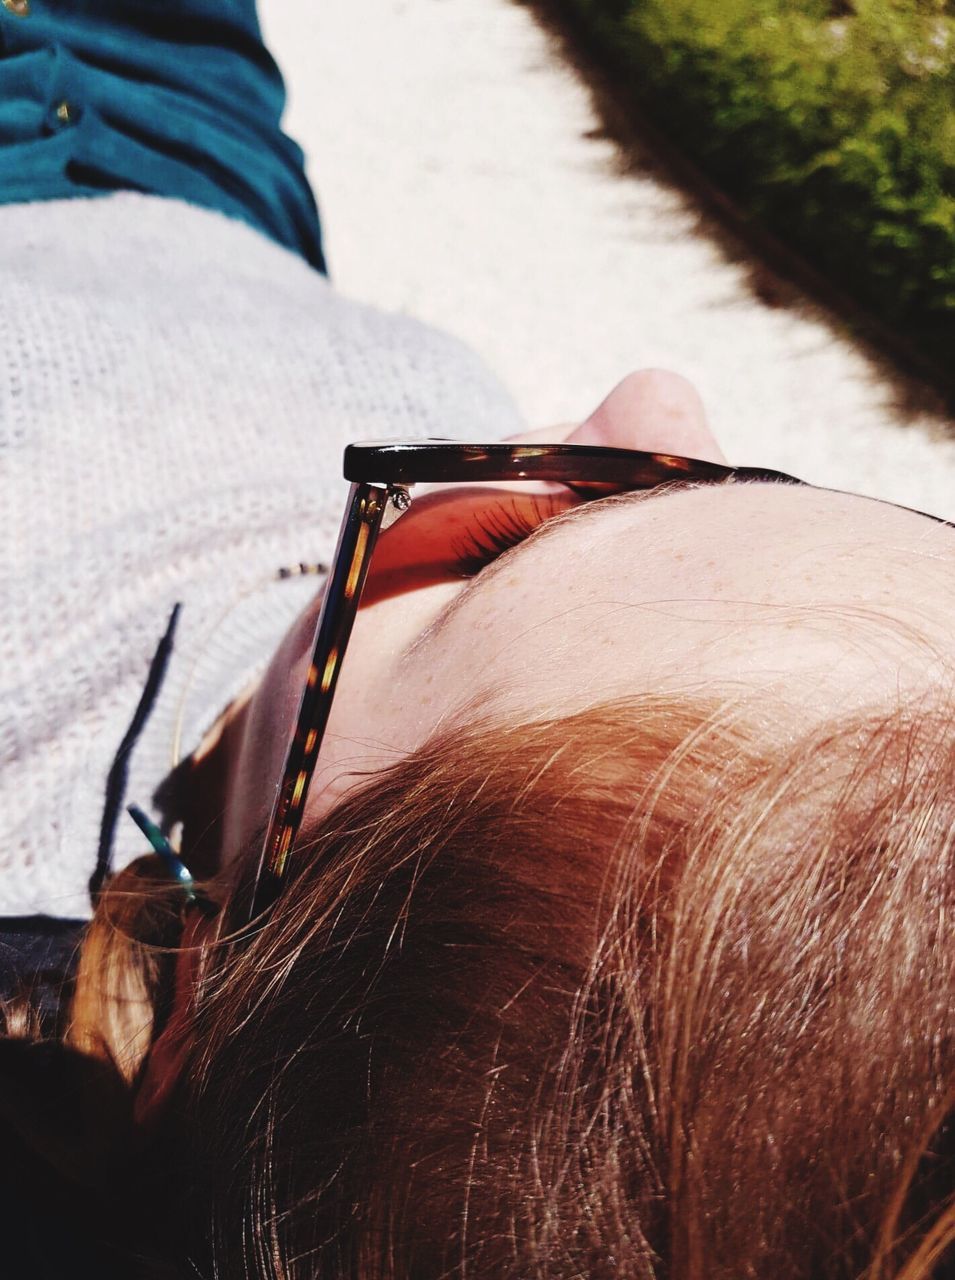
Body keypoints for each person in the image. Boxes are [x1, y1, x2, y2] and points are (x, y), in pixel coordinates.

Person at [0, 4, 952, 1279]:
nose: (656, 396)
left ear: (197, 1001)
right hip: (216, 167)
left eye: (488, 554)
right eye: (735, 483)